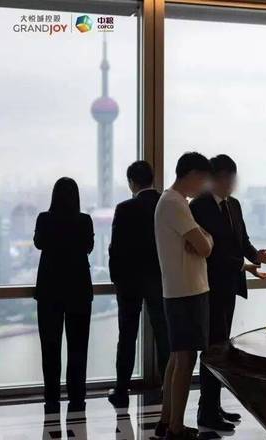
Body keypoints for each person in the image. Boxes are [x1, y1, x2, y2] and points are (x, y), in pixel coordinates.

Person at [190, 154, 266, 431]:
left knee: (220, 347)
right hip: (209, 287)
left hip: (229, 287)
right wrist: (243, 264)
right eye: (228, 178)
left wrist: (255, 255)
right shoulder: (199, 206)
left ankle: (214, 406)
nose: (232, 184)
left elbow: (241, 240)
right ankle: (206, 411)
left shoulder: (234, 205)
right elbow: (211, 252)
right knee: (212, 349)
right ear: (215, 178)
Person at [154, 152, 214, 440]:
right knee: (185, 360)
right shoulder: (175, 204)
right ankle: (176, 428)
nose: (203, 186)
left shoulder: (172, 202)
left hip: (179, 290)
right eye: (202, 179)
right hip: (187, 291)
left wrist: (202, 237)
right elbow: (205, 247)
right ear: (191, 174)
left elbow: (200, 241)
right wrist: (206, 238)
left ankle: (166, 421)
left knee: (177, 358)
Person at [108, 161, 170, 407]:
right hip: (160, 280)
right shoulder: (165, 204)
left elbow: (115, 248)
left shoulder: (125, 208)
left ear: (131, 182)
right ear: (152, 179)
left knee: (127, 336)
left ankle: (121, 390)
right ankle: (167, 387)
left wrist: (117, 280)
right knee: (164, 335)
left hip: (130, 282)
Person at [34, 177, 94, 414]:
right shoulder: (84, 220)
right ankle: (77, 398)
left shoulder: (44, 219)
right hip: (79, 290)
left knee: (50, 347)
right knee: (78, 348)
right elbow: (88, 247)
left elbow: (39, 243)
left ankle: (51, 399)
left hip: (49, 291)